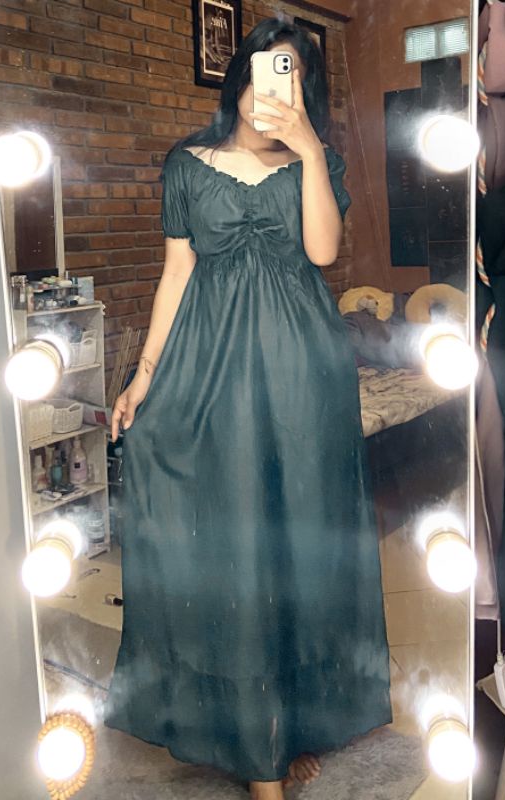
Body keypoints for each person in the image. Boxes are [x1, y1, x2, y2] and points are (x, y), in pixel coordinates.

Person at [103, 17, 391, 800]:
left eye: (293, 76)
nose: (276, 89)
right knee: (229, 537)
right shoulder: (187, 165)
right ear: (239, 79)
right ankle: (238, 727)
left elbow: (323, 253)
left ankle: (288, 725)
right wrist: (143, 377)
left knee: (297, 532)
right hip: (210, 368)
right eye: (268, 70)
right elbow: (175, 274)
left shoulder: (316, 162)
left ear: (307, 92)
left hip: (302, 372)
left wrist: (308, 150)